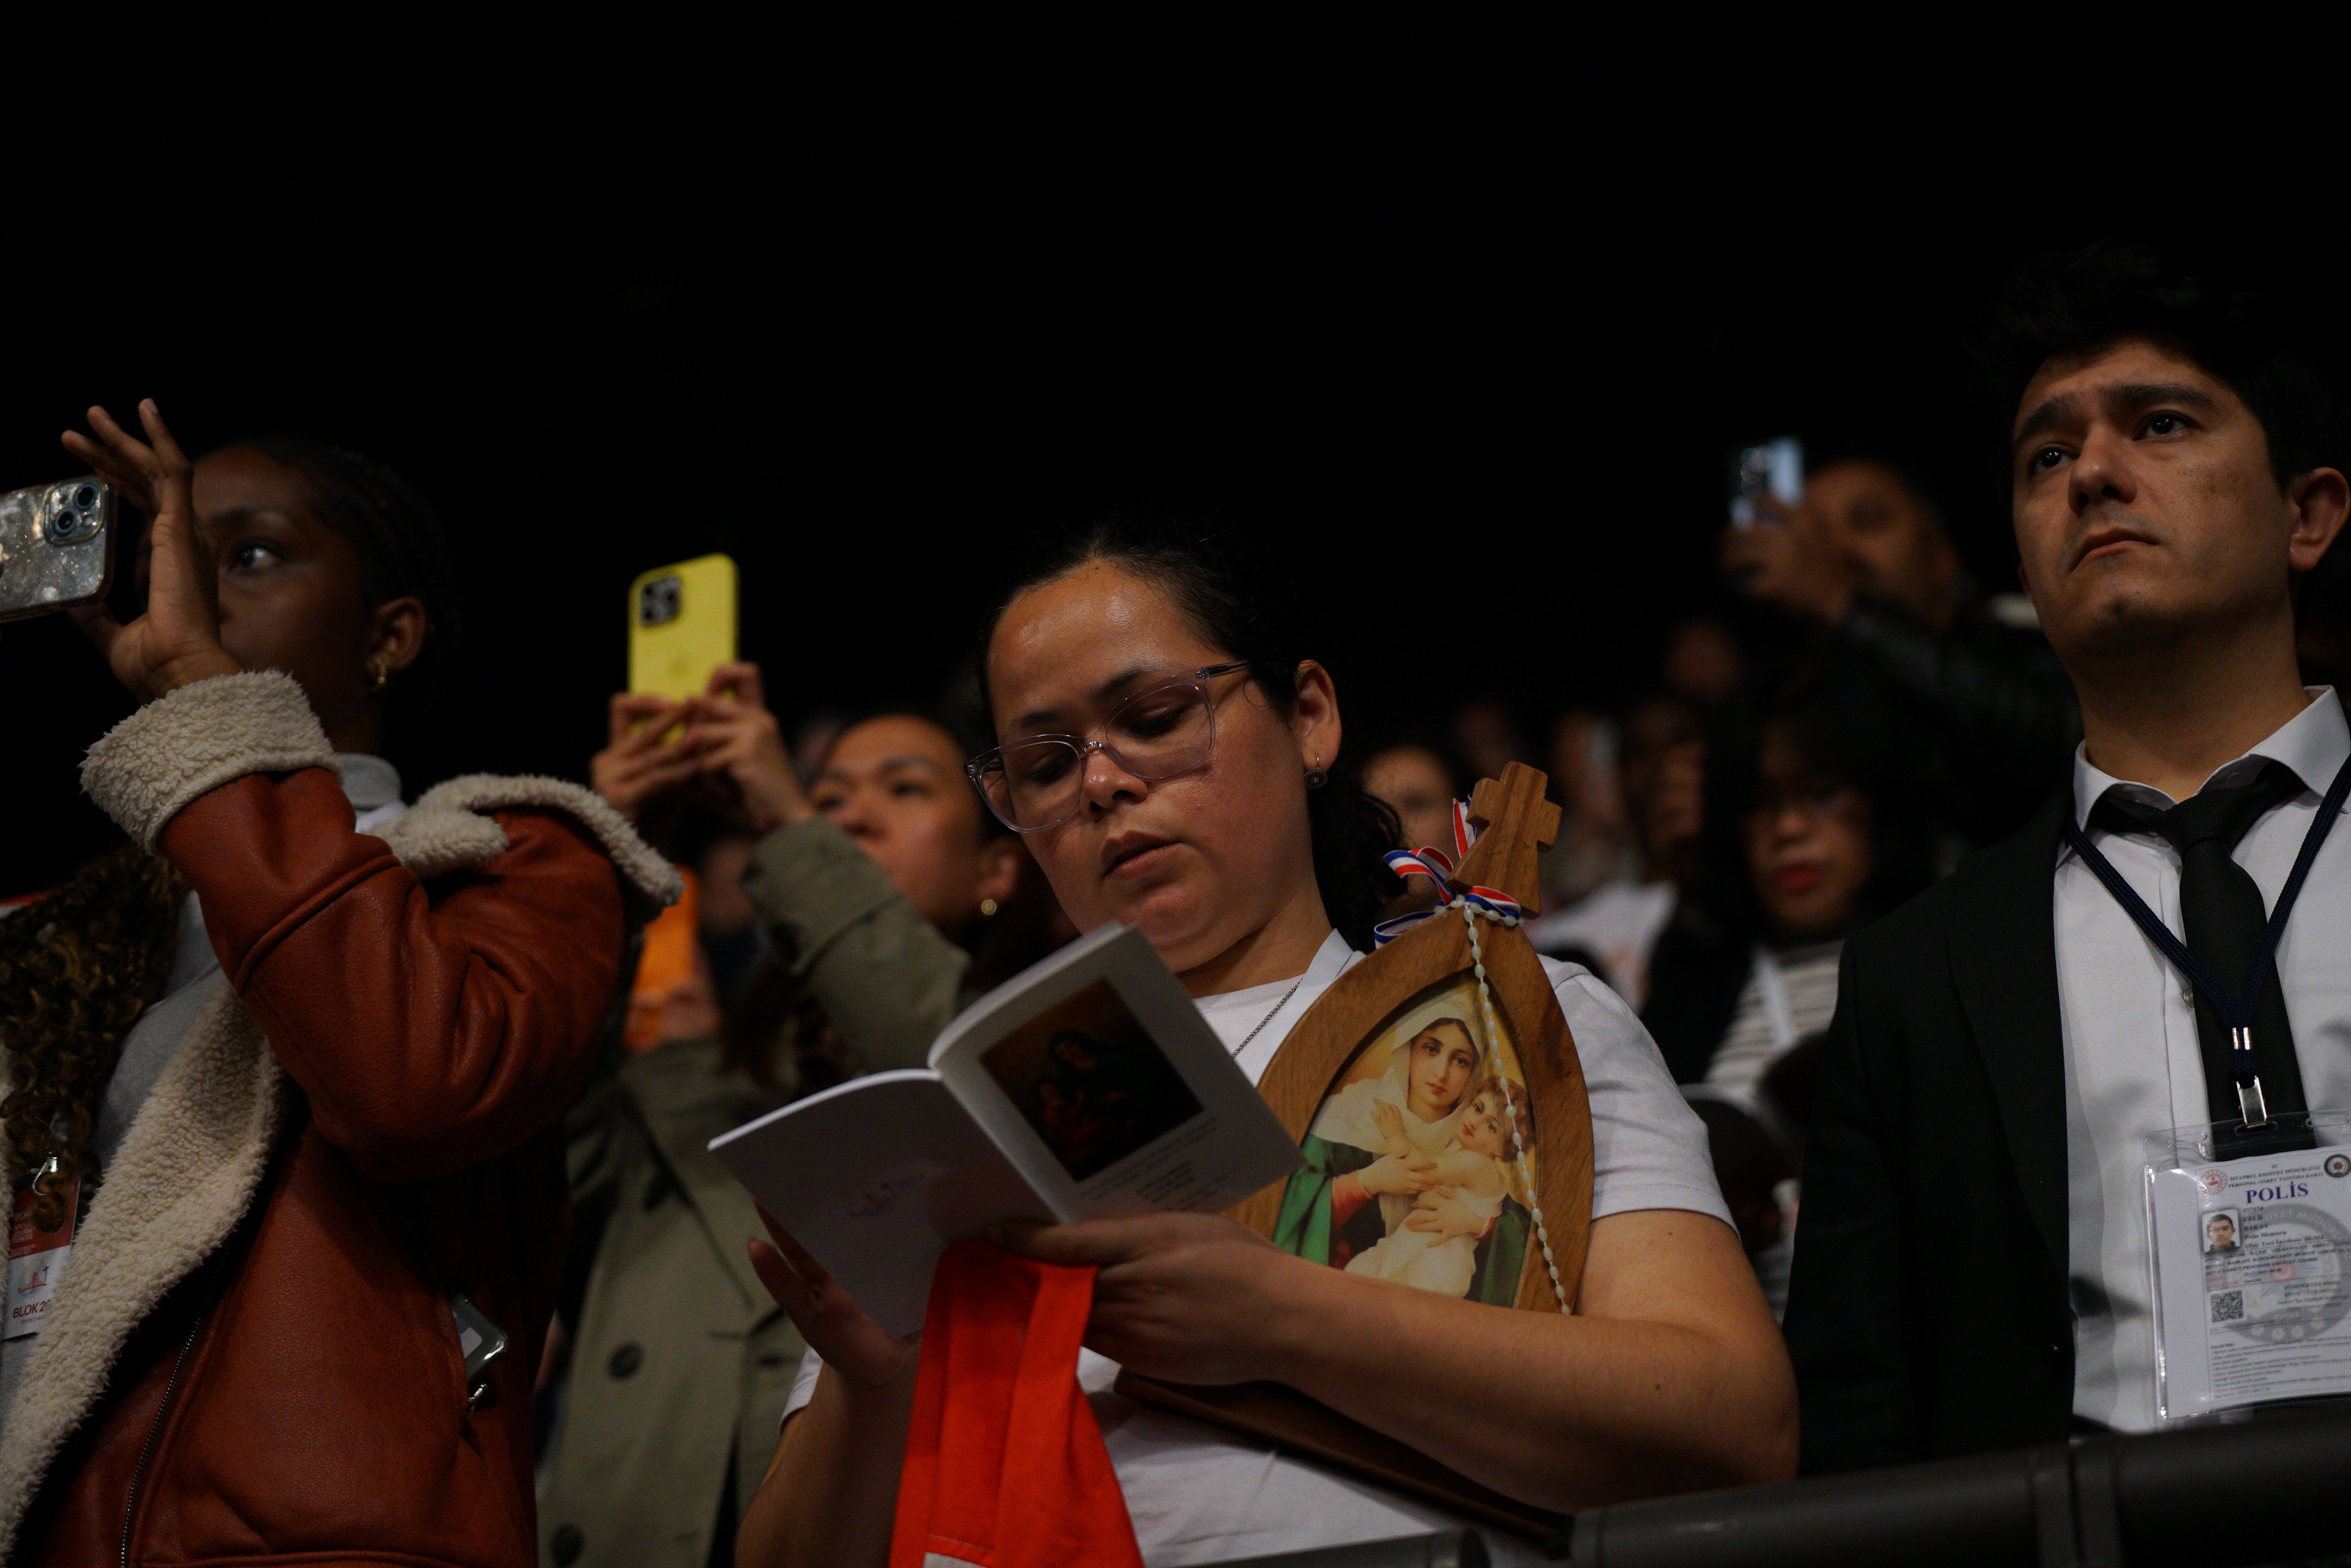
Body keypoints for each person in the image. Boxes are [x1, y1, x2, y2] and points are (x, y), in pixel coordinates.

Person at [737, 522, 1794, 1567]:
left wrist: (1285, 1318)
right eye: (1044, 764)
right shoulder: (967, 1116)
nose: (1101, 784)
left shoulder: (1504, 1011)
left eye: (1153, 717)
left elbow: (1736, 1434)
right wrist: (874, 1392)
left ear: (1311, 716)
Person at [0, 403, 672, 1567]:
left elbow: (412, 1081)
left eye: (247, 555)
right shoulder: (54, 935)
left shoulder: (510, 856)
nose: (196, 595)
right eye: (170, 557)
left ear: (389, 634)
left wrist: (203, 694)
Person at [1784, 242, 2351, 1469]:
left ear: (2306, 514)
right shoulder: (1915, 977)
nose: (2094, 471)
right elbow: (1859, 1423)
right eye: (2048, 455)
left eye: (2160, 423)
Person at [537, 671, 1065, 1567]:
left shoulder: (1046, 1055)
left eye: (902, 788)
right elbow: (526, 1132)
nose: (849, 819)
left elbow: (953, 1070)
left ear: (996, 867)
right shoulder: (678, 1084)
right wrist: (620, 851)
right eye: (827, 797)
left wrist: (791, 821)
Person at [1641, 656, 1937, 1313]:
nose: (1788, 829)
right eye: (1757, 805)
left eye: (1821, 790)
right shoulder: (1698, 976)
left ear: (1882, 797)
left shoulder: (1946, 952)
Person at [1720, 440, 2079, 846]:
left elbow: (2053, 739)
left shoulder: (2026, 654)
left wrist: (1840, 601)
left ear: (1942, 556)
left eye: (1867, 521)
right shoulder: (1789, 697)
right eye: (1816, 534)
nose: (1835, 551)